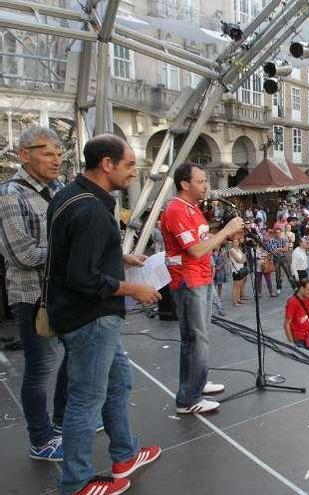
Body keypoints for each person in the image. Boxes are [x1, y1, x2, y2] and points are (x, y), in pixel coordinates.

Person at [47, 134, 162, 495]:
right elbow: (84, 278)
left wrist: (120, 258)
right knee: (85, 400)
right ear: (107, 164)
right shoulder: (93, 211)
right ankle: (76, 482)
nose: (134, 171)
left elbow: (75, 255)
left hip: (87, 316)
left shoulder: (70, 195)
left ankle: (125, 454)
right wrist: (136, 289)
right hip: (91, 318)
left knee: (119, 381)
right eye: (129, 165)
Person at [0, 127, 68, 461]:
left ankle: (61, 421)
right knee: (40, 368)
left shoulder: (60, 189)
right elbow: (22, 255)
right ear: (24, 155)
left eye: (59, 152)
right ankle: (41, 440)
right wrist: (71, 253)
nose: (56, 159)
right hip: (31, 298)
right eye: (48, 152)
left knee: (76, 357)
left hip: (65, 293)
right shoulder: (10, 194)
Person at [161, 162, 245, 415]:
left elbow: (203, 241)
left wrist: (222, 237)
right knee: (196, 339)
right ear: (184, 184)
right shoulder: (176, 210)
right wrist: (227, 230)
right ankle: (189, 399)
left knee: (197, 337)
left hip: (202, 277)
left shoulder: (193, 209)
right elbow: (195, 250)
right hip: (189, 280)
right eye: (201, 181)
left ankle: (196, 383)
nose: (206, 186)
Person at [283, 279, 309, 350]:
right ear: (302, 288)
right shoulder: (292, 302)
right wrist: (291, 344)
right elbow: (287, 324)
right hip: (298, 340)